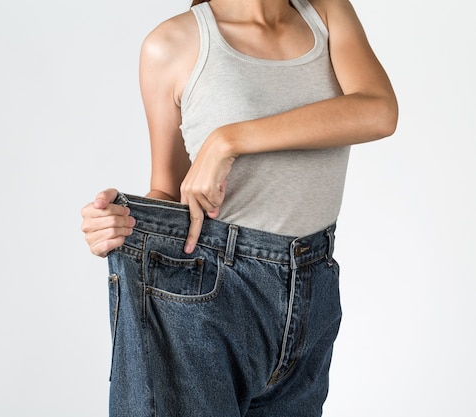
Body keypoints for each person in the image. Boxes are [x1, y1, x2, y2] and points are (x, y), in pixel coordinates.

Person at [81, 0, 397, 415]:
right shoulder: (172, 43)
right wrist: (117, 225)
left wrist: (228, 140)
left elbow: (378, 110)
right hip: (208, 288)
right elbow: (167, 190)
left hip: (313, 284)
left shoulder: (326, 12)